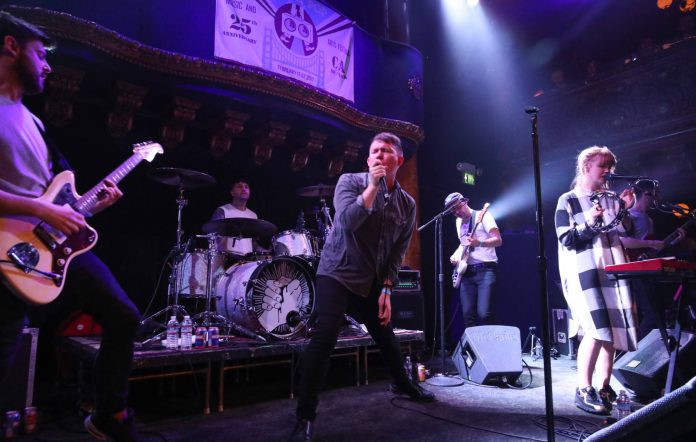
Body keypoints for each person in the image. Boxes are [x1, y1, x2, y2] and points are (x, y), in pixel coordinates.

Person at [0, 12, 141, 441]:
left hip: (49, 245)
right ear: (10, 47)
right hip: (8, 247)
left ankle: (108, 416)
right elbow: (42, 208)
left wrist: (88, 211)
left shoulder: (33, 120)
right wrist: (43, 213)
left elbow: (55, 203)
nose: (48, 65)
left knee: (123, 316)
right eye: (41, 55)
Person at [289, 132, 434, 442]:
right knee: (325, 334)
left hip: (371, 278)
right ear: (369, 159)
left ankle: (404, 384)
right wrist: (371, 186)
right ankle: (305, 415)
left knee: (385, 334)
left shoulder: (407, 204)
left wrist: (386, 289)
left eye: (386, 151)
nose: (379, 155)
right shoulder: (350, 182)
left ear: (399, 160)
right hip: (337, 271)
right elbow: (347, 223)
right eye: (374, 151)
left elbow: (398, 249)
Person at [555, 145, 637, 415]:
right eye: (603, 166)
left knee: (611, 331)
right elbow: (566, 238)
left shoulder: (611, 198)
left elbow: (625, 230)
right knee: (595, 328)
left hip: (612, 268)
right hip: (584, 271)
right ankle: (583, 388)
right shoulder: (567, 199)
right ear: (586, 166)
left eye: (610, 167)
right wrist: (589, 221)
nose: (607, 172)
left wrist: (625, 208)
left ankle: (604, 386)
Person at [447, 193, 502, 329]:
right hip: (467, 272)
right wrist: (456, 255)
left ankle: (495, 344)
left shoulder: (483, 216)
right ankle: (474, 350)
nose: (457, 212)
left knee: (484, 313)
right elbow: (464, 243)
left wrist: (479, 243)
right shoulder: (458, 221)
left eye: (457, 208)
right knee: (467, 316)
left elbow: (498, 240)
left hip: (486, 270)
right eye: (453, 211)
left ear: (464, 202)